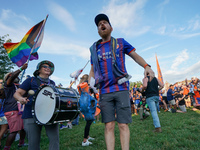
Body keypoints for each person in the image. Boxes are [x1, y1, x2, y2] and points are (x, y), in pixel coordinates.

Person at [88, 13, 154, 150]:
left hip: (121, 88)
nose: (102, 24)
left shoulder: (120, 42)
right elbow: (93, 70)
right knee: (109, 125)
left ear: (111, 28)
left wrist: (147, 66)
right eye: (99, 24)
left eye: (105, 22)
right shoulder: (94, 48)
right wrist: (90, 83)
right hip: (104, 91)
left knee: (123, 124)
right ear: (98, 31)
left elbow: (135, 56)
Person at [14, 60, 59, 150]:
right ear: (39, 70)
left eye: (49, 67)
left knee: (55, 140)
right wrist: (21, 99)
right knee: (33, 143)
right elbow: (17, 93)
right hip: (31, 114)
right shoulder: (30, 80)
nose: (48, 68)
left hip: (48, 114)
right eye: (45, 67)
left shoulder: (52, 83)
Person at [3, 63, 28, 150]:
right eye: (11, 74)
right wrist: (21, 69)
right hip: (12, 110)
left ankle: (21, 143)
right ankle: (6, 148)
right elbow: (12, 77)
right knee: (14, 131)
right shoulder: (8, 85)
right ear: (8, 78)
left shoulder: (18, 87)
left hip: (20, 110)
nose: (14, 75)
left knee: (23, 128)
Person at [77, 74, 96, 146]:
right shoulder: (86, 84)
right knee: (89, 122)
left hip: (83, 102)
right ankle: (85, 141)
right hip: (86, 103)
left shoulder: (80, 84)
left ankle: (87, 136)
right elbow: (90, 91)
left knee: (89, 121)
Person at [0, 80, 8, 149]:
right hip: (2, 114)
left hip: (3, 114)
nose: (1, 84)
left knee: (4, 127)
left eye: (1, 83)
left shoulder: (4, 93)